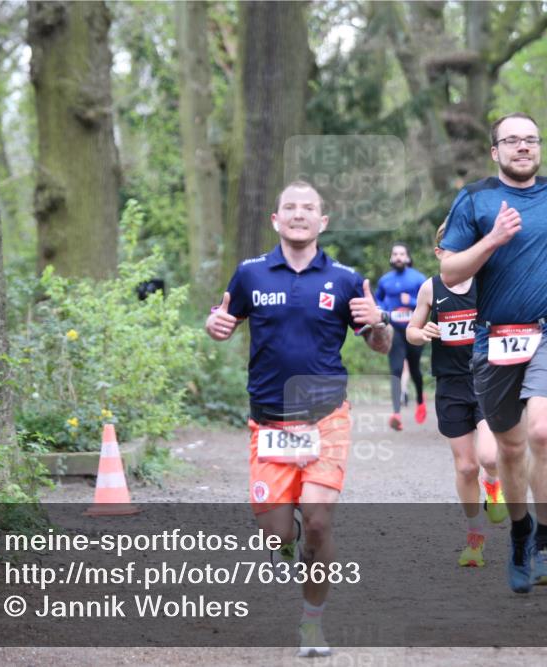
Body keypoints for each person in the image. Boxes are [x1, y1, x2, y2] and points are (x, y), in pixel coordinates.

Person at [205, 180, 391, 656]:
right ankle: (289, 543)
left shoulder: (347, 279)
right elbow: (224, 321)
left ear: (322, 222)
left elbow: (379, 343)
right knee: (279, 534)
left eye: (309, 208)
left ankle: (312, 623)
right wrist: (215, 327)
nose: (299, 214)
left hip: (326, 417)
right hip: (268, 423)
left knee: (319, 521)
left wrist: (379, 323)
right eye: (290, 207)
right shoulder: (249, 275)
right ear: (276, 219)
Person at [438, 112, 547, 594]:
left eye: (531, 140)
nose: (523, 147)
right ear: (495, 152)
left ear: (539, 148)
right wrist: (492, 239)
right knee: (509, 448)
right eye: (512, 141)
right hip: (493, 338)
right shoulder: (476, 199)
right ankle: (521, 532)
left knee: (543, 430)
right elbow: (449, 272)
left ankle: (546, 542)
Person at [406, 221, 508, 568]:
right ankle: (475, 539)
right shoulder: (430, 289)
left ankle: (493, 485)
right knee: (466, 467)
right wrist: (423, 333)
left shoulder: (488, 283)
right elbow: (411, 331)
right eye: (455, 249)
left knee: (490, 458)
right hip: (450, 384)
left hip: (488, 378)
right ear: (440, 254)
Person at [374, 243, 428, 430]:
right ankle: (396, 413)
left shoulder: (418, 278)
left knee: (414, 370)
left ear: (407, 257)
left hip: (414, 328)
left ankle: (421, 400)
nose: (398, 257)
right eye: (395, 254)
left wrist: (411, 301)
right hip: (394, 329)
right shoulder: (385, 280)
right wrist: (382, 310)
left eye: (401, 254)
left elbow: (429, 301)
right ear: (391, 258)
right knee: (396, 369)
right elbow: (377, 299)